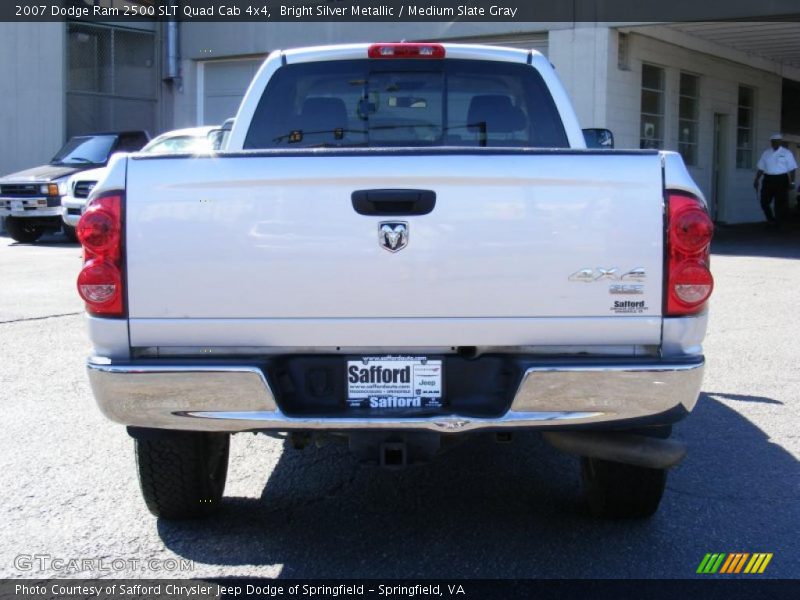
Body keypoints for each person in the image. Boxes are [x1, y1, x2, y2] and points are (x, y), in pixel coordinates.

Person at [753, 133, 797, 228]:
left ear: (780, 142)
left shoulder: (786, 153)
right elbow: (761, 168)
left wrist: (792, 182)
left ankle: (778, 223)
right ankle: (771, 220)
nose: (774, 143)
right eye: (773, 142)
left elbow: (792, 168)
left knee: (779, 203)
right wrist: (756, 179)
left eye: (776, 141)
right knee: (764, 201)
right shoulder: (766, 153)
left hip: (781, 179)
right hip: (768, 178)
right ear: (771, 142)